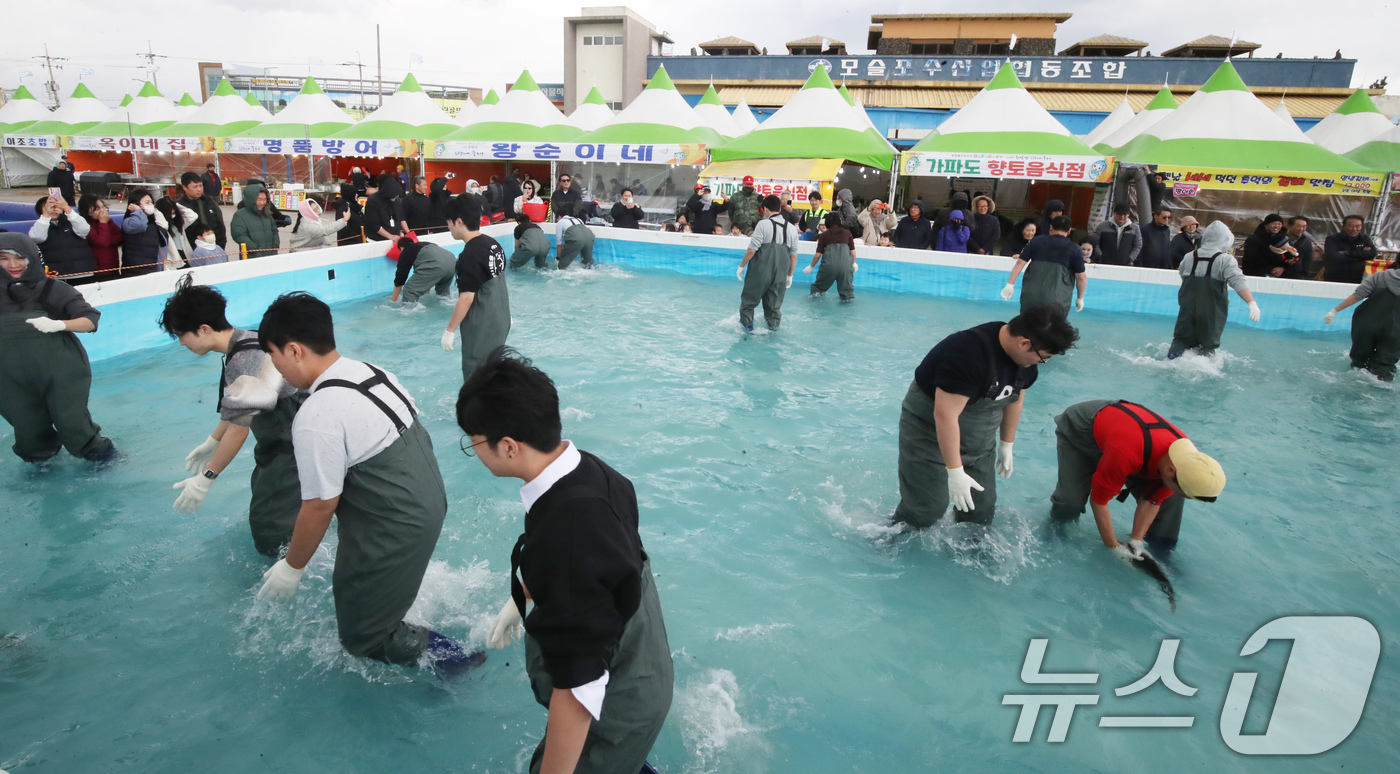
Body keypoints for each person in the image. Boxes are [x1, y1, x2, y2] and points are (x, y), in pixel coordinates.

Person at [463, 347, 672, 774]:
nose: (473, 449)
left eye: (474, 442)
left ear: (507, 447)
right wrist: (526, 593)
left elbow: (580, 688)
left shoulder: (568, 533)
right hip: (641, 661)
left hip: (616, 699)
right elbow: (603, 568)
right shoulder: (589, 471)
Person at [254, 292, 477, 671]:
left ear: (293, 351)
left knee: (364, 637)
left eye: (272, 355)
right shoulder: (371, 371)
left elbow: (320, 505)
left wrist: (292, 567)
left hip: (397, 520)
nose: (274, 367)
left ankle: (460, 662)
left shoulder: (316, 415)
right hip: (429, 498)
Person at [893, 304, 1079, 528]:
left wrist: (1006, 444)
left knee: (981, 508)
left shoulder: (1025, 360)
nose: (1041, 362)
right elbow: (945, 416)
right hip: (929, 431)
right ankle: (890, 540)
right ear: (1024, 343)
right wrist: (954, 471)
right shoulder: (967, 355)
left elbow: (1016, 397)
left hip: (980, 436)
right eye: (1044, 357)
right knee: (927, 508)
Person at [159, 276, 303, 556]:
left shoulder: (243, 360)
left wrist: (206, 478)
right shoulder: (247, 338)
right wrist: (213, 440)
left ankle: (289, 568)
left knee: (269, 529)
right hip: (283, 442)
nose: (180, 343)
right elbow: (241, 403)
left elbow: (240, 428)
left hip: (293, 445)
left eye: (181, 335)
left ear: (203, 329)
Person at [1049, 399, 1225, 552]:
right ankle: (1054, 534)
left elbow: (1152, 500)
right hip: (1082, 427)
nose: (1181, 494)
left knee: (1171, 501)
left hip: (1129, 441)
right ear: (1171, 470)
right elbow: (1099, 500)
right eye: (1182, 490)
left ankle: (1161, 549)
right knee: (1070, 502)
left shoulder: (1184, 460)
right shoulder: (1128, 453)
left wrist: (1136, 541)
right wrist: (1114, 547)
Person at [0, 233, 115, 463]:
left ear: (32, 258)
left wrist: (60, 324)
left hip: (61, 371)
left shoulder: (53, 289)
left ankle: (104, 458)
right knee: (28, 432)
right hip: (10, 377)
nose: (13, 265)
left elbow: (90, 320)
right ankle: (42, 467)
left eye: (20, 258)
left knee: (72, 424)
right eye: (4, 258)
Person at [1168, 221, 1261, 359]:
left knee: (1180, 341)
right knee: (1207, 345)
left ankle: (1171, 359)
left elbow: (1183, 276)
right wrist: (1251, 303)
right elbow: (1237, 281)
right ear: (1226, 239)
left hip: (1187, 309)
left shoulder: (1189, 257)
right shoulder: (1225, 260)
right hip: (1211, 312)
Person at [442, 196, 510, 381]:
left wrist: (450, 330)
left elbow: (466, 298)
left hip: (482, 327)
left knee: (476, 377)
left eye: (449, 223)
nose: (448, 228)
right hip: (500, 319)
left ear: (459, 221)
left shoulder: (469, 255)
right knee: (494, 372)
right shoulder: (493, 244)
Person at [1324, 260, 1400, 380]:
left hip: (1366, 323)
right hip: (1396, 331)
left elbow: (1358, 295)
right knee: (1385, 364)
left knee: (1360, 362)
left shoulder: (1381, 276)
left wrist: (1335, 311)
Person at [1001, 215, 1087, 314]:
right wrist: (1080, 298)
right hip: (1058, 299)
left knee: (1027, 325)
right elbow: (1081, 277)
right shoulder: (1075, 249)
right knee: (1052, 326)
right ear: (1069, 231)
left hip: (1031, 296)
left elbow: (1020, 263)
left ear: (1051, 227)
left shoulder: (1036, 241)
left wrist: (1010, 284)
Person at [737, 195, 799, 331]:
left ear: (765, 209)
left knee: (748, 304)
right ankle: (773, 331)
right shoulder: (792, 228)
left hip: (761, 270)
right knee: (774, 308)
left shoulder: (763, 224)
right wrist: (790, 275)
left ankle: (747, 332)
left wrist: (741, 266)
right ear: (779, 209)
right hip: (781, 272)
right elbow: (793, 256)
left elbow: (752, 250)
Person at [30, 194, 96, 285]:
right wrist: (45, 215)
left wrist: (67, 209)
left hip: (83, 273)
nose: (53, 209)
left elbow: (84, 230)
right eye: (49, 207)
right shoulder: (40, 225)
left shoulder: (73, 222)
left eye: (56, 206)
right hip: (56, 277)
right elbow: (37, 237)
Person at [803, 212, 856, 301]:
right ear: (840, 222)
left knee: (817, 291)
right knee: (847, 296)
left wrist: (811, 266)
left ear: (827, 223)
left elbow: (818, 254)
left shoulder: (824, 235)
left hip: (828, 266)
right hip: (845, 267)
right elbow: (853, 253)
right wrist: (853, 263)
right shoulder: (847, 233)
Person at [388, 237, 456, 304]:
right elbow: (425, 276)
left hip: (437, 265)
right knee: (443, 294)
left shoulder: (406, 251)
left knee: (409, 290)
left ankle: (409, 311)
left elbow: (400, 277)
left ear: (402, 248)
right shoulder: (424, 245)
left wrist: (394, 300)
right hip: (452, 262)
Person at [120, 189, 169, 276]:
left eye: (151, 202)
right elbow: (140, 225)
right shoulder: (129, 222)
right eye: (147, 202)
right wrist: (138, 211)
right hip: (136, 271)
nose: (151, 205)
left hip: (153, 268)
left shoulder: (153, 223)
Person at [177, 171, 227, 252]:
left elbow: (220, 223)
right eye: (195, 187)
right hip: (192, 250)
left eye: (201, 186)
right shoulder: (180, 206)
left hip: (214, 246)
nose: (199, 189)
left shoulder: (208, 201)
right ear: (184, 187)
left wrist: (221, 244)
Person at [229, 183, 281, 259]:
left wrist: (275, 246)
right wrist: (254, 249)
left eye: (264, 199)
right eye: (259, 200)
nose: (262, 203)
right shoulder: (240, 215)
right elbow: (239, 235)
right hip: (252, 256)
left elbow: (274, 231)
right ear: (251, 200)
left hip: (270, 254)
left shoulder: (267, 214)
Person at [1323, 215, 1377, 285]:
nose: (1354, 229)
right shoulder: (1333, 239)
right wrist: (1360, 256)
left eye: (1358, 226)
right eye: (1351, 226)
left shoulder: (1364, 238)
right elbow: (1334, 256)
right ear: (1343, 226)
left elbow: (1372, 253)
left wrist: (1348, 253)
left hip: (1356, 276)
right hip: (1335, 276)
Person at [79, 195, 122, 279]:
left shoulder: (107, 220)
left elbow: (120, 237)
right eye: (97, 209)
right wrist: (103, 223)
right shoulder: (86, 225)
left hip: (113, 266)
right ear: (87, 211)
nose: (102, 211)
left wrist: (108, 237)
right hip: (98, 270)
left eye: (103, 207)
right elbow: (102, 242)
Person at [363, 173, 407, 242]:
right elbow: (374, 225)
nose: (395, 198)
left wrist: (408, 233)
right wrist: (390, 236)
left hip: (395, 238)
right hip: (377, 240)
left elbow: (401, 218)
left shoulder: (397, 201)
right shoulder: (373, 201)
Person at [553, 201, 595, 270]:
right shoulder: (578, 219)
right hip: (590, 237)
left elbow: (559, 243)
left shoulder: (560, 222)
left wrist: (558, 258)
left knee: (561, 267)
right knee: (588, 264)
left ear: (559, 216)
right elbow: (583, 235)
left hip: (576, 239)